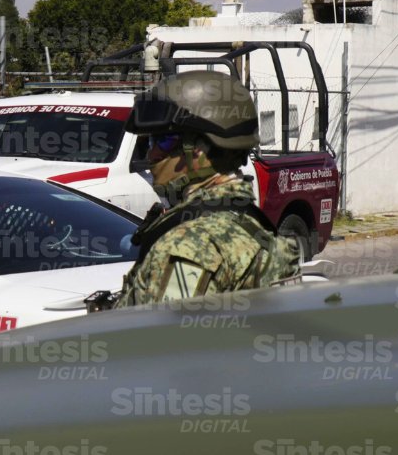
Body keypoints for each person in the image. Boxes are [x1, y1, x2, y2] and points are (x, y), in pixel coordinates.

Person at [94, 70, 300, 309]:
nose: (152, 154)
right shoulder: (254, 225)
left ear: (200, 149)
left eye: (163, 140)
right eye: (150, 142)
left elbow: (157, 339)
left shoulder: (190, 245)